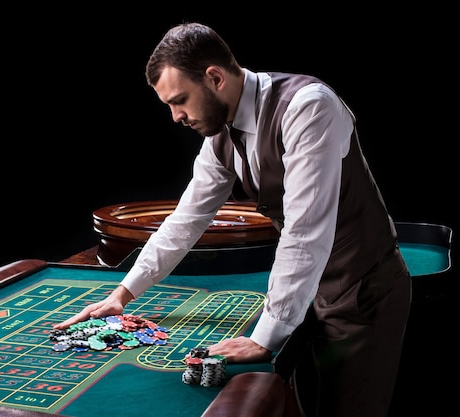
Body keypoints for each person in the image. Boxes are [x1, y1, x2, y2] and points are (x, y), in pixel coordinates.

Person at [54, 22, 411, 417]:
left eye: (180, 100)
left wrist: (265, 337)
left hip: (362, 289)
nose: (175, 116)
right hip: (310, 291)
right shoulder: (220, 137)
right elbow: (184, 222)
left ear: (215, 77)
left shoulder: (309, 107)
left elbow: (306, 231)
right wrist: (122, 294)